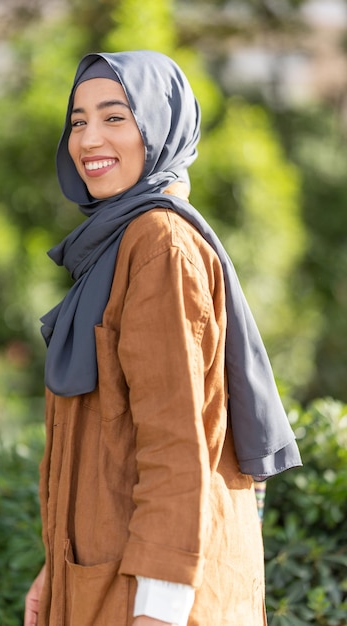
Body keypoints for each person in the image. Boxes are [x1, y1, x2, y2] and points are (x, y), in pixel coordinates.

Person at [24, 50, 302, 626]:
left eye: (114, 117)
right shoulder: (115, 244)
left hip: (154, 599)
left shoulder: (158, 245)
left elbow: (177, 443)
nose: (89, 139)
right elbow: (109, 450)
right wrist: (56, 570)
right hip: (105, 581)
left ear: (159, 126)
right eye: (78, 121)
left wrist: (161, 609)